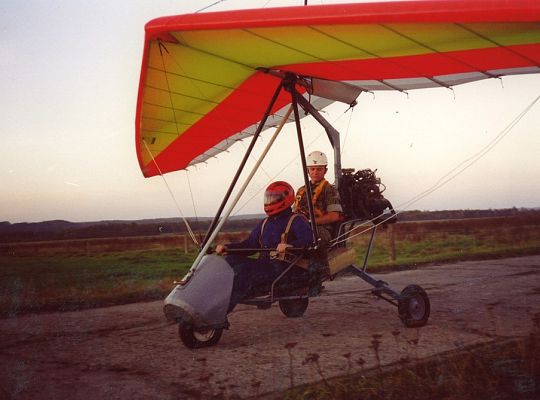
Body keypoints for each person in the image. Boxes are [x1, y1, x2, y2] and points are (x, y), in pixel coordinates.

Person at [215, 181, 314, 313]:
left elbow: (308, 241)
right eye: (268, 198)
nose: (270, 201)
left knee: (244, 270)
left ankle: (219, 313)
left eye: (274, 198)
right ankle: (209, 300)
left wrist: (290, 245)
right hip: (266, 265)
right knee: (230, 261)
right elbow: (250, 245)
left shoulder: (296, 220)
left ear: (286, 199)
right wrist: (228, 248)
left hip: (285, 268)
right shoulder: (265, 223)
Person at [294, 150, 343, 244]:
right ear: (307, 170)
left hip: (321, 229)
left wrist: (309, 222)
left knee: (307, 239)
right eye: (312, 169)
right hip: (300, 226)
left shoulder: (329, 190)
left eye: (319, 169)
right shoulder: (301, 191)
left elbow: (334, 216)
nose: (315, 172)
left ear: (325, 170)